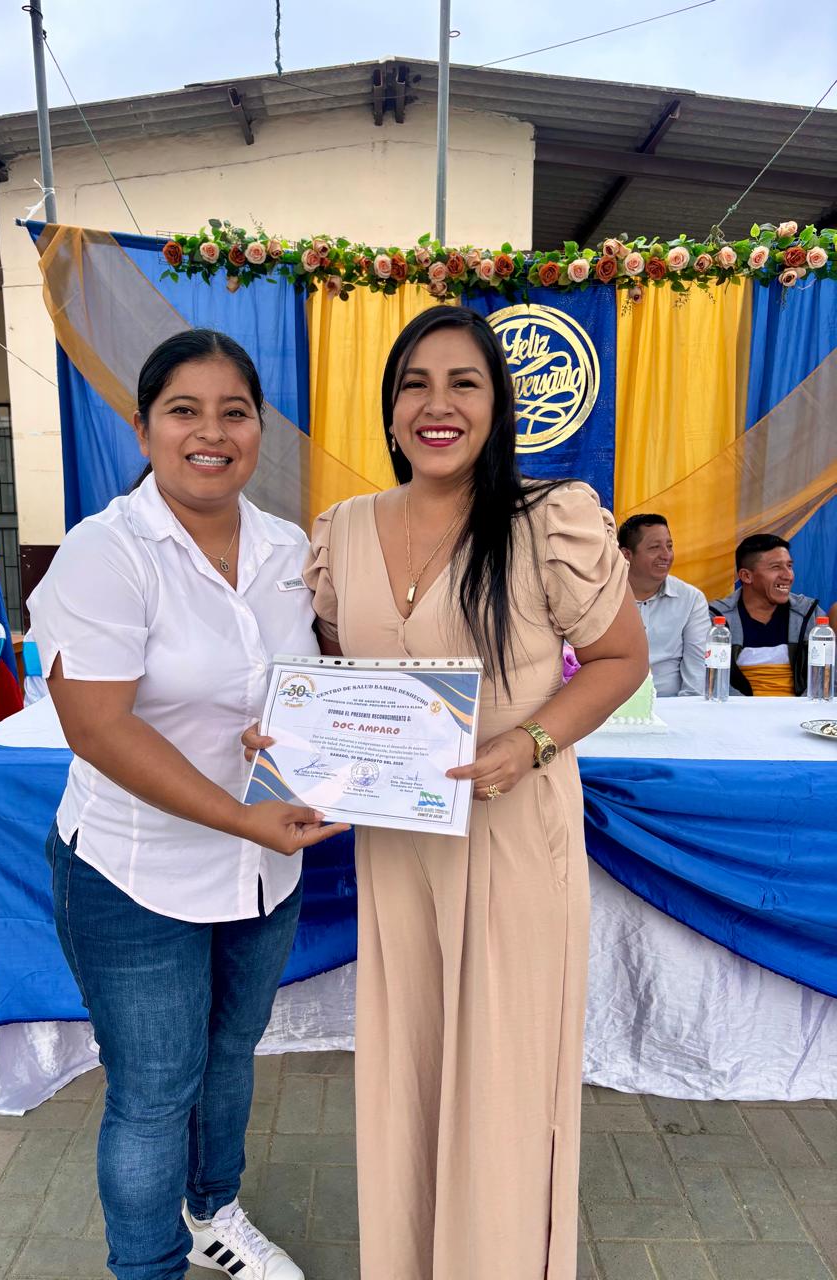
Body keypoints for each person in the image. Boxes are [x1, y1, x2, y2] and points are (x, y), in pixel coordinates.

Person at [248, 307, 648, 1279]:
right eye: (415, 385)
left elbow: (620, 658)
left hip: (513, 836)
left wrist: (530, 742)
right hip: (401, 844)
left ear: (498, 405)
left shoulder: (548, 518)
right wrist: (295, 740)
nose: (438, 404)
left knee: (504, 1080)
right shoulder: (345, 530)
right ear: (390, 412)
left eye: (464, 382)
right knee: (412, 1068)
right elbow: (341, 678)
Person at [28, 330, 347, 1280]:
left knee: (232, 1052)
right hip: (138, 872)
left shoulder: (289, 549)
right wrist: (242, 814)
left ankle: (213, 1213)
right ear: (142, 429)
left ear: (259, 430)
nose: (211, 433)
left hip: (262, 869)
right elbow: (98, 729)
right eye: (184, 411)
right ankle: (148, 1265)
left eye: (234, 413)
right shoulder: (104, 552)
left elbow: (320, 684)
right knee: (154, 1092)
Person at [709, 534, 819, 696]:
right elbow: (710, 680)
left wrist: (800, 708)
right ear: (746, 576)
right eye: (775, 567)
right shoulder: (715, 619)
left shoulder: (809, 614)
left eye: (789, 566)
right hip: (737, 710)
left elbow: (826, 679)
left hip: (800, 710)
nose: (788, 576)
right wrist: (748, 709)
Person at [617, 513, 710, 696]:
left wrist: (688, 709)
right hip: (611, 705)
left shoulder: (691, 599)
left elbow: (698, 670)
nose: (666, 555)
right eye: (654, 548)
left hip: (673, 704)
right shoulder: (601, 596)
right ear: (626, 554)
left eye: (669, 546)